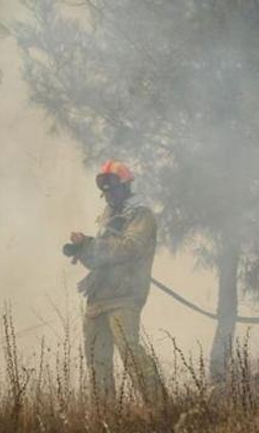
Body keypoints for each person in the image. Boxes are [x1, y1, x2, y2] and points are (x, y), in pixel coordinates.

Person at [63, 160, 166, 404]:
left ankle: (162, 410)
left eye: (113, 188)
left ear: (126, 186)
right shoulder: (107, 218)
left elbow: (130, 248)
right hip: (98, 298)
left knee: (131, 353)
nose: (108, 194)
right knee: (96, 361)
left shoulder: (141, 215)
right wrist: (83, 249)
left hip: (124, 296)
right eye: (105, 189)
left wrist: (91, 244)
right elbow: (100, 259)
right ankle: (106, 419)